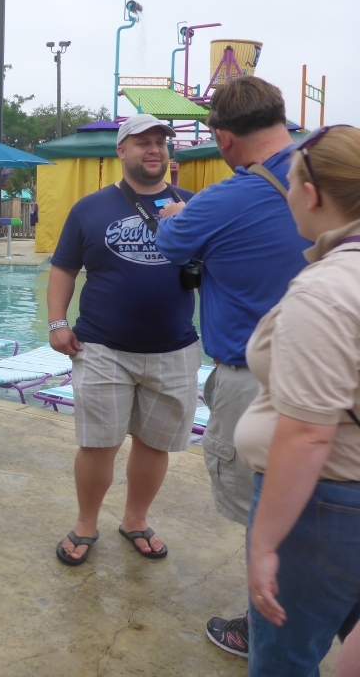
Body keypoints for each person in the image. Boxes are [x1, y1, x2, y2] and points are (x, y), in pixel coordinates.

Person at [154, 75, 311, 657]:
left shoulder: (223, 199)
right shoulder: (333, 168)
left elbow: (171, 244)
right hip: (340, 372)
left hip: (261, 382)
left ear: (222, 139)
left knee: (266, 513)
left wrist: (176, 213)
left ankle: (266, 631)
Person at [234, 125, 360, 677]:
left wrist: (265, 544)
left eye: (290, 185)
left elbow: (309, 431)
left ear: (311, 195)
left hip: (324, 510)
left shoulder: (329, 290)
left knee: (284, 663)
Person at [49, 113, 201, 566]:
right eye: (142, 142)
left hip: (175, 348)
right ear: (121, 151)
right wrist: (58, 323)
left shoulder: (194, 206)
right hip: (101, 348)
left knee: (155, 444)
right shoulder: (90, 208)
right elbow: (63, 269)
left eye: (161, 142)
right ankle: (85, 523)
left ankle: (136, 518)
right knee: (98, 444)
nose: (154, 149)